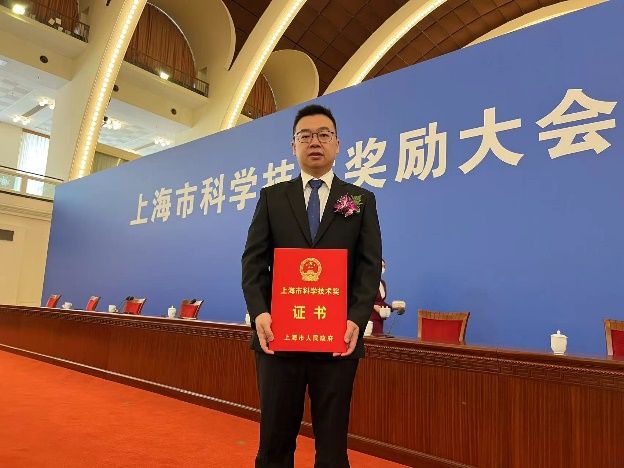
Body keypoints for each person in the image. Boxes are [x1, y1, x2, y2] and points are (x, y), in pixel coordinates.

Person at [242, 104, 382, 468]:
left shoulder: (359, 200)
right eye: (305, 136)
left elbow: (369, 267)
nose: (314, 142)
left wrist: (356, 319)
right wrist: (259, 312)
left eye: (323, 134)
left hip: (337, 340)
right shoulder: (272, 197)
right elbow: (253, 262)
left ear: (337, 144)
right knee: (274, 443)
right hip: (278, 340)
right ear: (293, 146)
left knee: (332, 447)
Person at [370, 259, 405, 336]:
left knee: (379, 340)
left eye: (384, 266)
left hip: (380, 319)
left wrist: (394, 308)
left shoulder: (382, 283)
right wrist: (374, 307)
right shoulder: (367, 282)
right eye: (380, 266)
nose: (382, 268)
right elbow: (364, 300)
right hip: (370, 319)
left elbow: (381, 302)